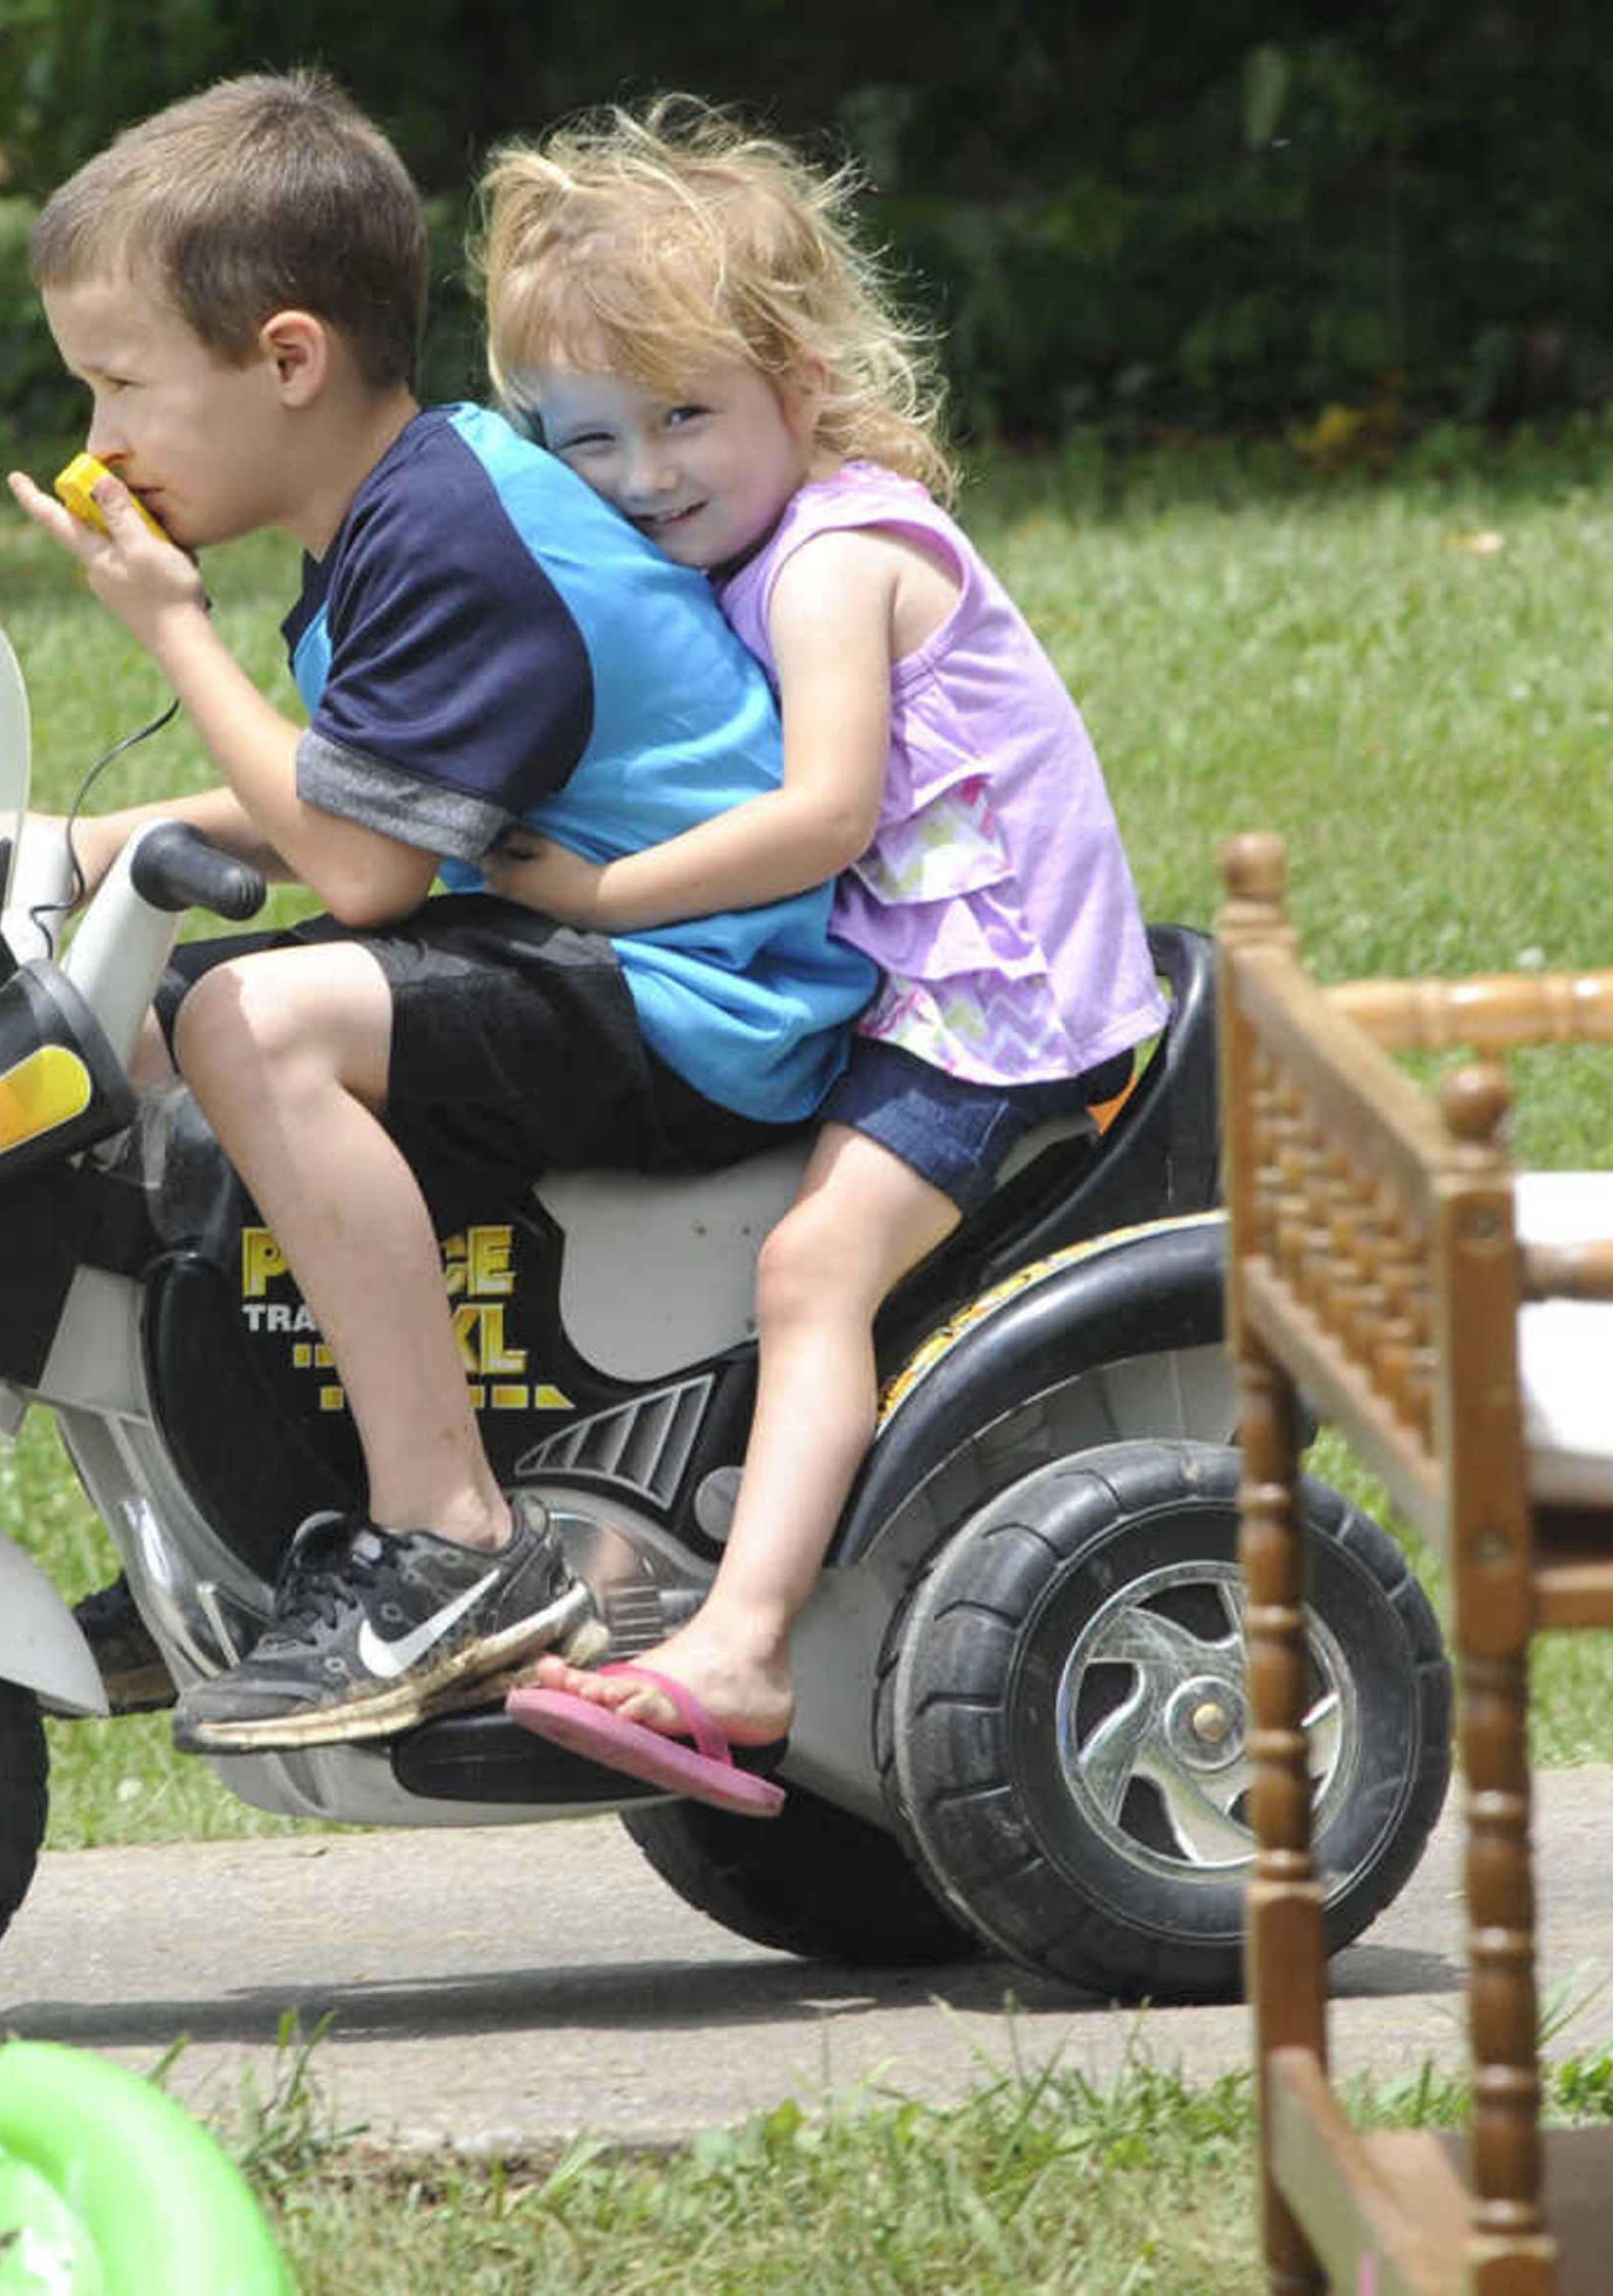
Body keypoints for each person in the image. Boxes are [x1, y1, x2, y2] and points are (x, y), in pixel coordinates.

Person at [4, 71, 877, 1753]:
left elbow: (359, 870)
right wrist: (99, 841)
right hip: (574, 947)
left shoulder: (454, 535)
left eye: (119, 386)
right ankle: (251, 1525)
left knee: (246, 1019)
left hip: (698, 984)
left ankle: (459, 1541)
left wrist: (170, 626)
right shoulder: (403, 507)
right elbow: (362, 793)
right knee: (151, 1019)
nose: (97, 442)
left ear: (286, 360)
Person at [472, 99, 1162, 1808]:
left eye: (684, 415)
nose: (642, 478)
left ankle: (745, 1647)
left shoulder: (837, 555)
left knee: (807, 1272)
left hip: (997, 1016)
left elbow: (827, 812)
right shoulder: (728, 550)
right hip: (909, 991)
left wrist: (598, 902)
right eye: (585, 442)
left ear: (799, 374)